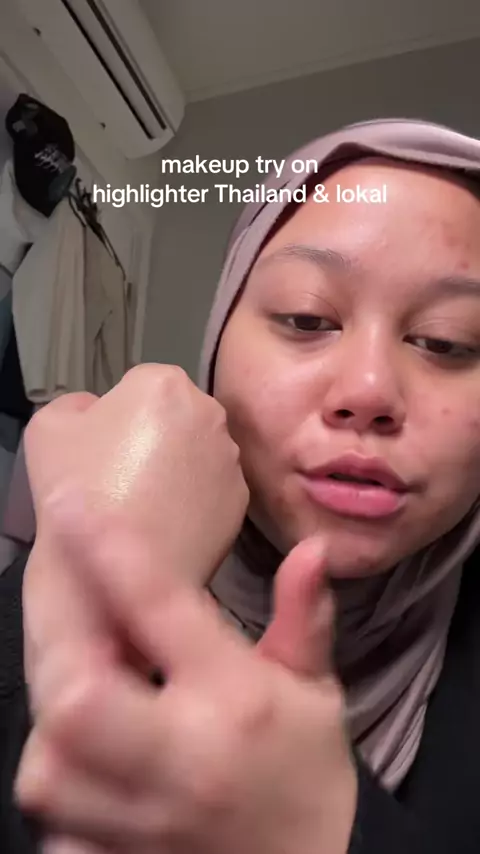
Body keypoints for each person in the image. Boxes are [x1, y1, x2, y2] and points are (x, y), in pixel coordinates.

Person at [1, 117, 480, 853]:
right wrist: (91, 594)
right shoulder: (57, 574)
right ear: (219, 338)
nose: (369, 390)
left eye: (447, 341)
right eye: (307, 318)